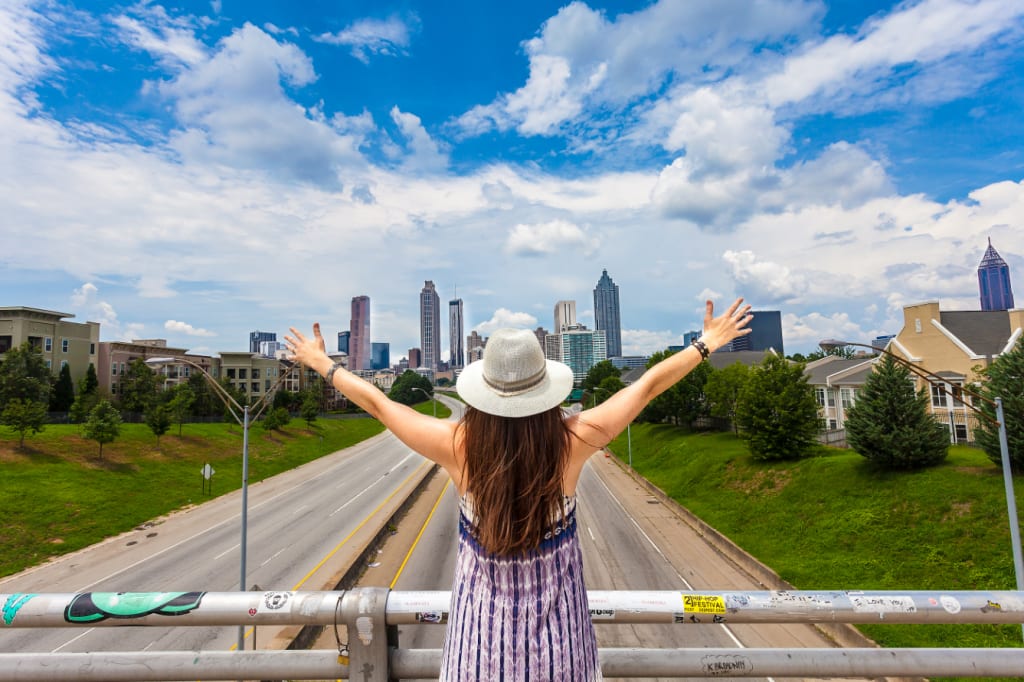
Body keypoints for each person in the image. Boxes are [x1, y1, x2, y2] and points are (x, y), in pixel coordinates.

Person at [286, 297, 752, 681]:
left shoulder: (457, 446)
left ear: (483, 392)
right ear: (545, 389)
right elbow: (647, 386)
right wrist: (706, 344)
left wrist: (324, 364)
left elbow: (379, 404)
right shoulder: (570, 443)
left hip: (476, 655)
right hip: (563, 657)